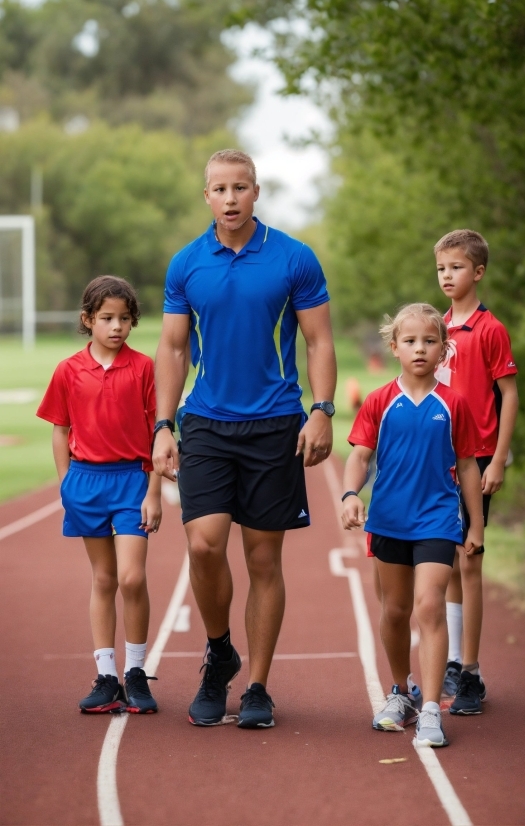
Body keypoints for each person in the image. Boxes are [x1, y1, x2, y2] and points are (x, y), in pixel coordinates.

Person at [152, 149, 336, 729]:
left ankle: (257, 686)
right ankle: (218, 652)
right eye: (219, 189)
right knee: (204, 544)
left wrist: (323, 410)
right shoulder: (186, 264)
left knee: (263, 558)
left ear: (256, 191)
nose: (230, 198)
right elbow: (174, 348)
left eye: (240, 187)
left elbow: (319, 341)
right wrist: (162, 424)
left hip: (275, 422)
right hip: (205, 420)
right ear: (205, 196)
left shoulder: (293, 257)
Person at [341, 303, 483, 747]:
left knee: (428, 606)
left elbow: (468, 465)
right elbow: (360, 456)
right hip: (388, 520)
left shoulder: (454, 404)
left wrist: (475, 525)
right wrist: (349, 495)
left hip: (438, 521)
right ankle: (401, 691)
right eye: (410, 341)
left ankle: (429, 713)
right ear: (394, 347)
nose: (419, 349)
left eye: (429, 341)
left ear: (444, 350)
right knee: (396, 610)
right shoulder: (379, 401)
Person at [36, 276, 162, 714]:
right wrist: (65, 482)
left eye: (125, 319)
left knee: (132, 577)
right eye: (107, 318)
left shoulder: (144, 367)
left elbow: (157, 432)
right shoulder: (68, 370)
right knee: (104, 579)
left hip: (132, 481)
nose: (117, 327)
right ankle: (107, 674)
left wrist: (154, 492)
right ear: (88, 320)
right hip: (85, 483)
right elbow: (60, 430)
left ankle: (137, 672)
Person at [435, 229, 518, 715]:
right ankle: (452, 659)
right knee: (447, 559)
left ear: (478, 271)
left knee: (471, 559)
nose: (448, 276)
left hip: (480, 457)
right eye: (442, 268)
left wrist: (500, 458)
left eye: (457, 267)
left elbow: (508, 394)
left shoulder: (490, 329)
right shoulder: (439, 329)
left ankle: (471, 671)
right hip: (444, 458)